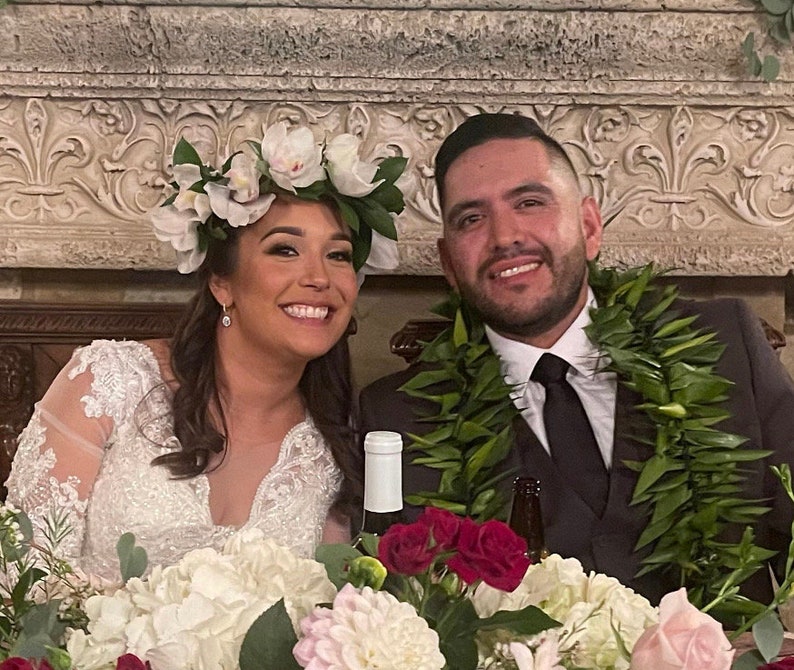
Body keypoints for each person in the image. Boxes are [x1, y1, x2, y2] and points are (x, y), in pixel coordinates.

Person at [359, 112, 794, 604]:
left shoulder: (723, 346)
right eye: (471, 219)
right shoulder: (395, 419)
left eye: (530, 202)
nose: (505, 236)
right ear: (448, 265)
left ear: (589, 226)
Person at [5, 121, 406, 580]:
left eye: (338, 255)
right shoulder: (108, 381)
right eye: (285, 251)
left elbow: (332, 614)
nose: (319, 278)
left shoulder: (341, 441)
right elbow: (21, 579)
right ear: (221, 282)